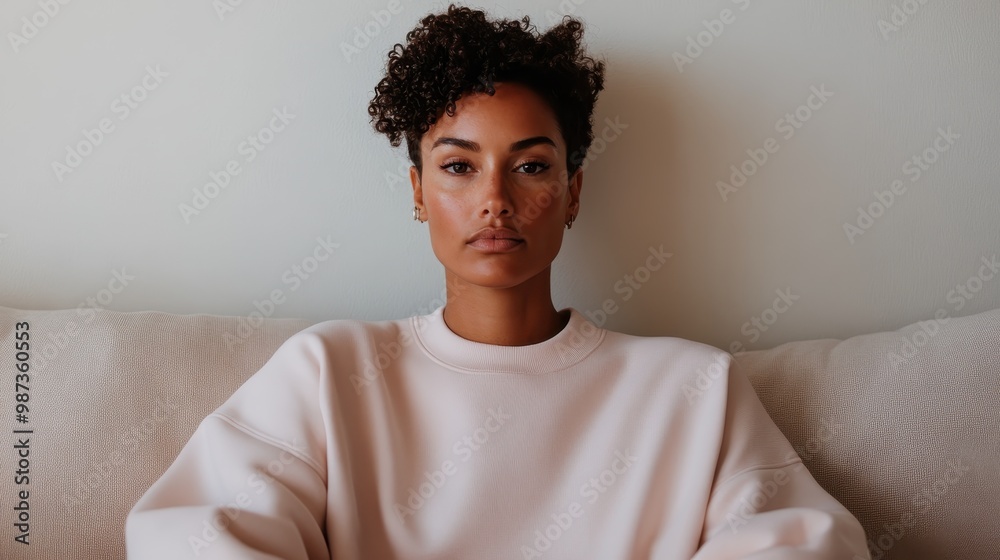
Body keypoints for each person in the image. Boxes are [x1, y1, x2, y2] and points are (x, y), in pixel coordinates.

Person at [125, 4, 870, 559]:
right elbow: (194, 535)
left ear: (573, 193)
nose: (495, 199)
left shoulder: (692, 388)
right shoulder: (332, 372)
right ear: (417, 192)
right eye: (457, 166)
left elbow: (805, 544)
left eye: (532, 165)